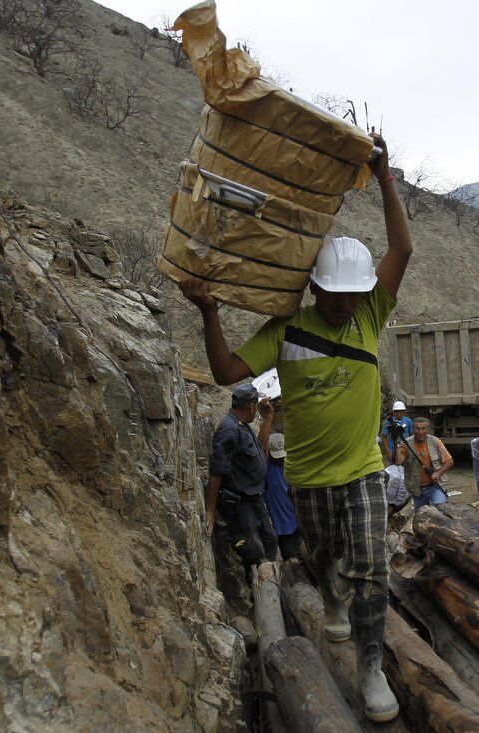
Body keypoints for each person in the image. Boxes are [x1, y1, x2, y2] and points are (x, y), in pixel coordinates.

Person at [179, 133, 407, 723]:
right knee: (324, 556)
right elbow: (226, 370)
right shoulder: (287, 330)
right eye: (336, 296)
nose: (346, 305)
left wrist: (384, 177)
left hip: (362, 470)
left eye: (354, 296)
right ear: (315, 289)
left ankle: (372, 666)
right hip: (308, 478)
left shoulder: (370, 317)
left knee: (373, 564)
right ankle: (330, 596)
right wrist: (209, 310)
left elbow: (402, 251)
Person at [206, 384, 279, 583]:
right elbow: (216, 471)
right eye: (256, 408)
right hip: (240, 503)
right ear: (252, 407)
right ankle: (261, 593)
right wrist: (210, 510)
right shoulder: (229, 430)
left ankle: (271, 584)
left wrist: (268, 418)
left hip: (255, 497)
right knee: (253, 550)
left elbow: (262, 450)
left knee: (270, 540)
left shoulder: (242, 425)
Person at [394, 417, 454, 510]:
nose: (420, 432)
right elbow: (398, 461)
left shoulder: (435, 441)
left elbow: (449, 461)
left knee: (440, 509)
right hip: (418, 489)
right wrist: (397, 441)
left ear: (428, 429)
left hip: (435, 486)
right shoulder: (406, 443)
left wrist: (439, 473)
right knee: (421, 516)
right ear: (413, 429)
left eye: (423, 428)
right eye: (417, 428)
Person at [263, 432, 301, 560]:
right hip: (283, 527)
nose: (280, 459)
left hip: (299, 522)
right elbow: (261, 445)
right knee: (292, 561)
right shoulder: (266, 469)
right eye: (277, 456)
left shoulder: (293, 465)